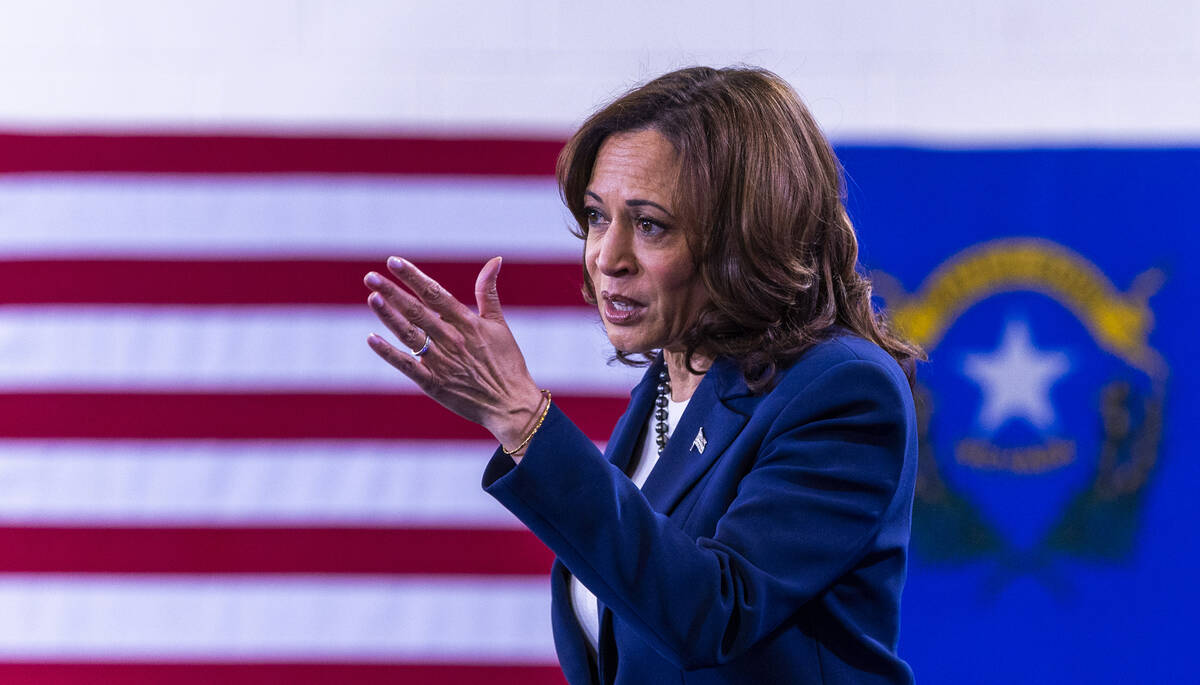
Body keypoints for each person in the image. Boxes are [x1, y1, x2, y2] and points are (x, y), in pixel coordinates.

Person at [363, 66, 923, 684]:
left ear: (745, 236)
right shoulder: (671, 381)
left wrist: (524, 420)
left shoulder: (843, 390)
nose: (607, 257)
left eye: (649, 224)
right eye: (598, 217)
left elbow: (714, 613)